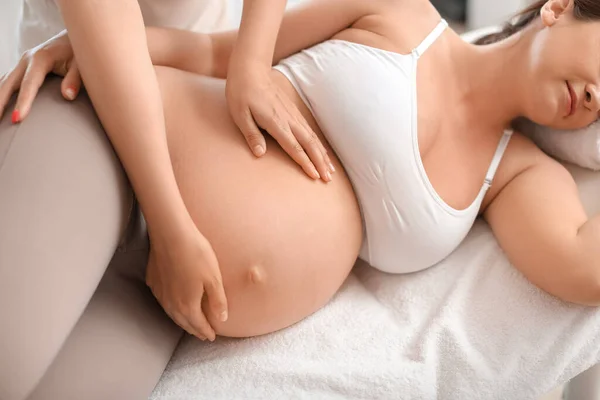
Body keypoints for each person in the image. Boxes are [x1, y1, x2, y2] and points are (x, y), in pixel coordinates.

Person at [2, 0, 600, 397]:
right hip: (112, 160)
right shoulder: (403, 12)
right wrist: (101, 47)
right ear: (559, 8)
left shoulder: (517, 172)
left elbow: (582, 266)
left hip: (160, 306)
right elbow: (216, 53)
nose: (598, 97)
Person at [0, 0, 337, 398]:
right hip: (79, 100)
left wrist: (251, 62)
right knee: (11, 363)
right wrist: (171, 230)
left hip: (177, 75)